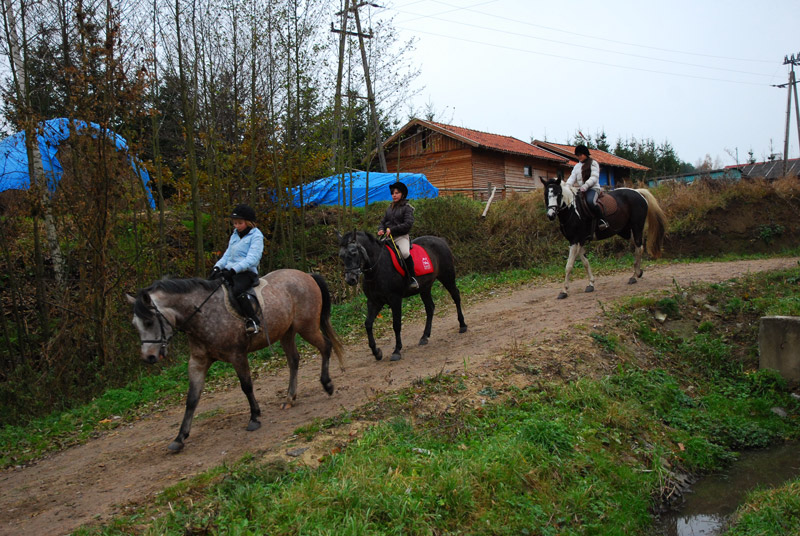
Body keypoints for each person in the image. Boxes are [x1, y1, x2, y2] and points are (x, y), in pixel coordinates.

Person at [209, 204, 265, 334]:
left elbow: (253, 259)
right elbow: (227, 255)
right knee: (209, 285)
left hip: (246, 273)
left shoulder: (256, 236)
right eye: (234, 223)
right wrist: (217, 267)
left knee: (237, 290)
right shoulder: (234, 235)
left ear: (249, 222)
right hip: (230, 271)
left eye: (240, 223)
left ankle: (253, 321)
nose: (237, 226)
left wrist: (234, 270)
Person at [377, 181, 419, 290]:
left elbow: (408, 224)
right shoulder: (389, 208)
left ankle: (412, 278)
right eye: (392, 193)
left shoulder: (407, 208)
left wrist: (392, 229)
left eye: (397, 193)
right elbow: (383, 221)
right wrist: (381, 229)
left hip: (401, 237)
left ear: (402, 194)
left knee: (405, 253)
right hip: (388, 238)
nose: (394, 195)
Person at [566, 144, 608, 230]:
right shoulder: (577, 166)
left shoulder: (593, 163)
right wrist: (567, 186)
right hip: (582, 189)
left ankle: (602, 220)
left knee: (590, 202)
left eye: (580, 154)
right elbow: (572, 178)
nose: (579, 157)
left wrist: (586, 186)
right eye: (577, 155)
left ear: (585, 154)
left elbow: (594, 177)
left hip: (593, 188)